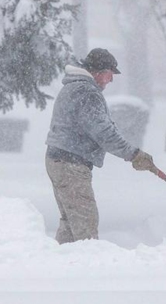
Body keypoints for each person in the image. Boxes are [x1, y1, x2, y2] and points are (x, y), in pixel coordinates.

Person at [45, 48, 155, 243]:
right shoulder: (86, 92)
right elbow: (104, 133)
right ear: (98, 71)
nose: (110, 80)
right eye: (109, 74)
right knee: (85, 224)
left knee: (72, 222)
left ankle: (62, 264)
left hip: (60, 160)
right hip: (70, 163)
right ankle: (86, 268)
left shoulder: (75, 88)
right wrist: (134, 154)